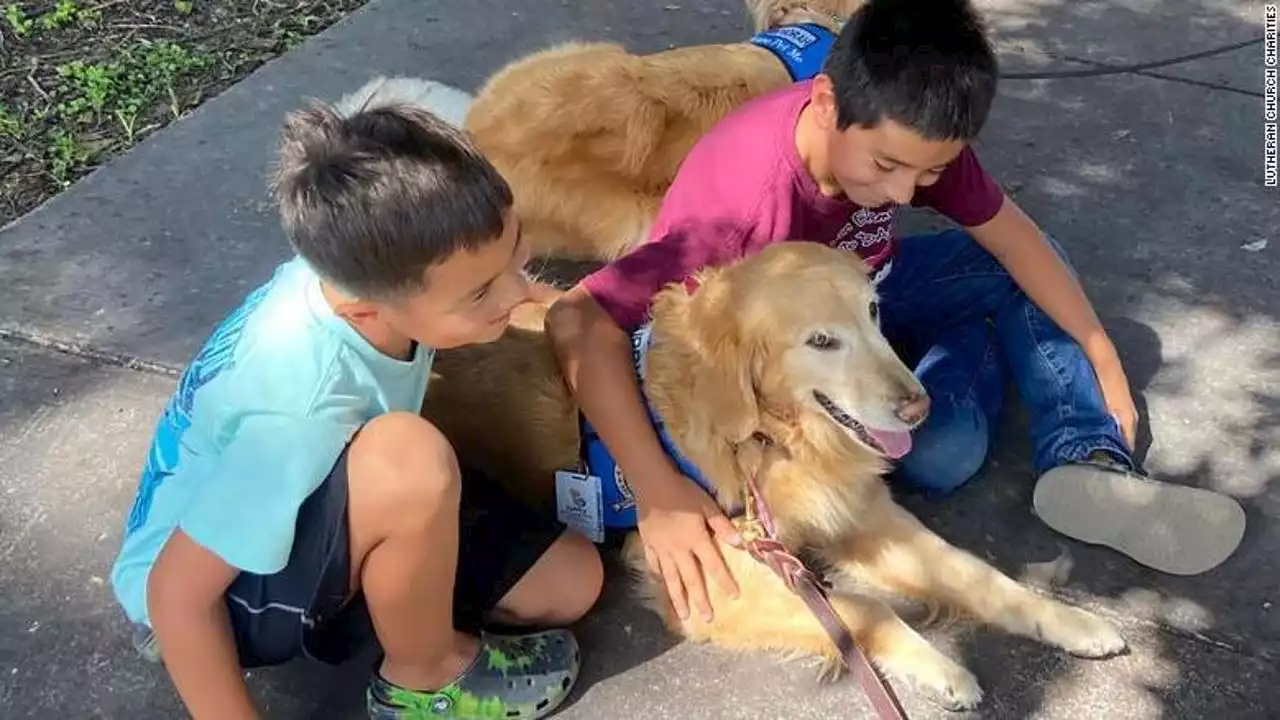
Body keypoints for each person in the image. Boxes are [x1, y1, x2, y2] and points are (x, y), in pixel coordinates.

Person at [545, 0, 1244, 626]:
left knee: (1018, 269)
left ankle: (1089, 453)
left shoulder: (914, 135)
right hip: (806, 350)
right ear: (824, 103)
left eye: (930, 174)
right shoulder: (735, 215)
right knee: (940, 456)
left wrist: (1101, 354)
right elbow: (578, 319)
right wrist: (659, 490)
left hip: (871, 300)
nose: (906, 193)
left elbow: (1017, 237)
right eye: (886, 168)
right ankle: (992, 334)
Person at [109, 98, 603, 720]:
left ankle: (390, 580)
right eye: (482, 291)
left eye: (516, 251)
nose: (515, 293)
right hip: (219, 596)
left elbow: (493, 279)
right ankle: (423, 682)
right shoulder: (299, 404)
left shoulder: (384, 269)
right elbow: (175, 595)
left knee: (569, 584)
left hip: (302, 500)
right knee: (410, 457)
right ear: (367, 311)